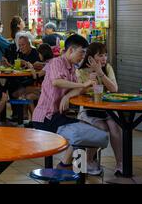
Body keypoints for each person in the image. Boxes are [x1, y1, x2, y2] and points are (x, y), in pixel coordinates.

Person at [31, 34, 102, 175]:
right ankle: (68, 166)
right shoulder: (56, 62)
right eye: (81, 52)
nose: (82, 56)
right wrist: (82, 84)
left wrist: (68, 95)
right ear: (70, 50)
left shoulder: (71, 68)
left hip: (57, 116)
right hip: (45, 117)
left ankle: (76, 169)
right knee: (83, 131)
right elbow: (56, 81)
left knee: (85, 131)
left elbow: (78, 89)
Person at [77, 42, 122, 176]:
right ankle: (89, 160)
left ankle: (120, 163)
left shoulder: (107, 68)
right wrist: (89, 83)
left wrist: (101, 73)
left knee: (115, 127)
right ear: (90, 58)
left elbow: (114, 89)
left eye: (105, 55)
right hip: (87, 110)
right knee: (101, 129)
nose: (104, 59)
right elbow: (78, 92)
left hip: (107, 109)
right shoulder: (81, 71)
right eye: (100, 55)